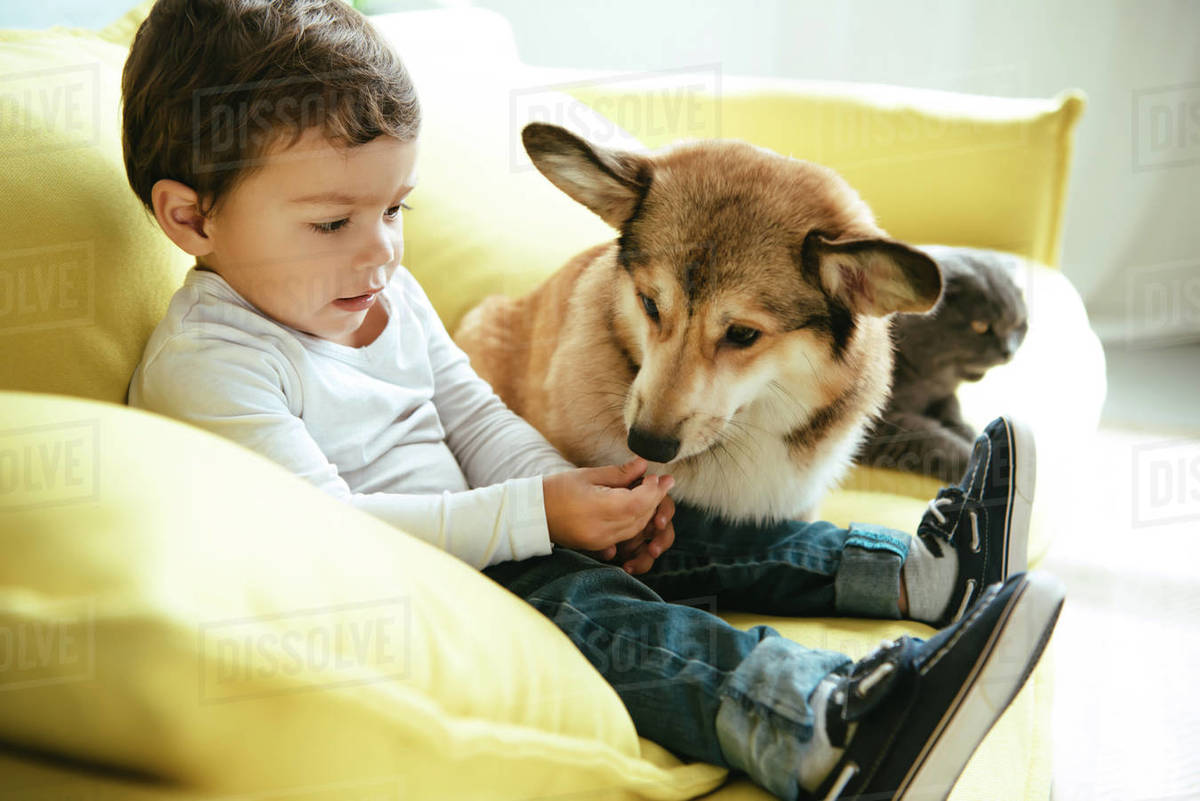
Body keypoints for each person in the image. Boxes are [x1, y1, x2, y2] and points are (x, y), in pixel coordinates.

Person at [121, 2, 1065, 799]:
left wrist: (584, 506)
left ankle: (916, 574)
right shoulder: (215, 362)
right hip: (417, 587)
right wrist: (538, 520)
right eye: (333, 221)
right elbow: (332, 531)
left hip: (496, 536)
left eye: (394, 210)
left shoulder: (376, 291)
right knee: (614, 618)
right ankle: (820, 721)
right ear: (192, 216)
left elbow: (475, 417)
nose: (381, 251)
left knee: (691, 525)